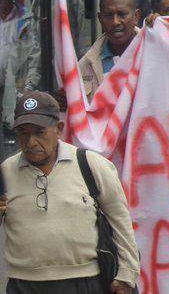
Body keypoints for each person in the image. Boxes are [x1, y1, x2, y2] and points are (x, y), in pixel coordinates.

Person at [2, 91, 140, 293]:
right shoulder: (5, 172)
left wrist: (127, 275)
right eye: (23, 133)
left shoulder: (92, 166)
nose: (31, 142)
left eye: (39, 132)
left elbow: (121, 222)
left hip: (83, 282)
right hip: (24, 284)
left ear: (58, 129)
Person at [78, 0, 141, 102]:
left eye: (122, 14)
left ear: (136, 16)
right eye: (109, 15)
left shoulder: (155, 54)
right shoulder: (85, 66)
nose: (115, 22)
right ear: (100, 19)